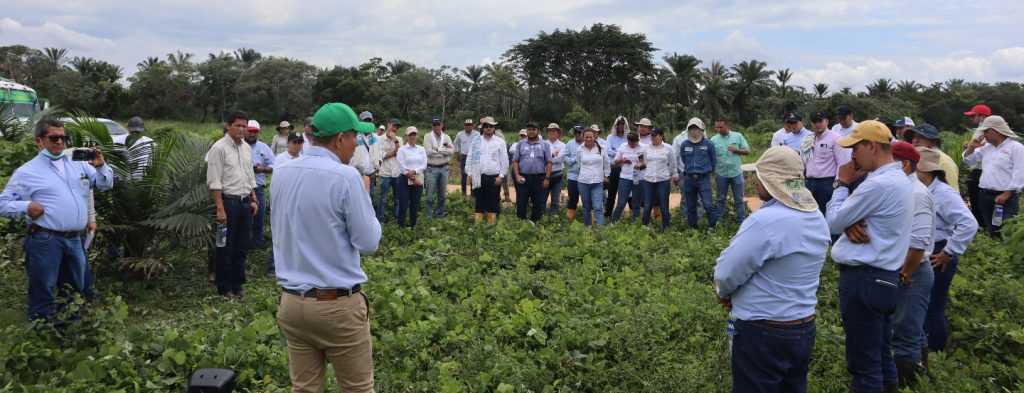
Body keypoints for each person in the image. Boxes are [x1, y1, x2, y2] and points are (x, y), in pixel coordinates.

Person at [270, 102, 380, 393]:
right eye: (356, 137)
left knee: (304, 388)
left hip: (292, 304)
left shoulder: (282, 174)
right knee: (357, 388)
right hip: (337, 307)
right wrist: (365, 197)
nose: (358, 143)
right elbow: (369, 243)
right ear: (340, 139)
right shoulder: (346, 177)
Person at [715, 146, 828, 393]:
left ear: (771, 180)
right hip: (803, 328)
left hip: (763, 332)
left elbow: (726, 273)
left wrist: (724, 293)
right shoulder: (816, 217)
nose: (755, 180)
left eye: (759, 174)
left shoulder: (765, 221)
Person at [826, 120, 913, 393]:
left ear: (872, 146)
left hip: (865, 280)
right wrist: (848, 221)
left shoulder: (877, 185)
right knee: (881, 355)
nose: (852, 156)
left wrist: (841, 185)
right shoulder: (898, 179)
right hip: (885, 280)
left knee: (864, 366)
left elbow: (832, 222)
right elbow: (849, 220)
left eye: (856, 148)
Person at [0, 119, 113, 321]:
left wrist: (101, 166)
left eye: (63, 137)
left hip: (74, 240)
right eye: (54, 138)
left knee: (73, 289)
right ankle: (41, 332)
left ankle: (69, 330)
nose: (60, 142)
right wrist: (26, 206)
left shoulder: (78, 163)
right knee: (44, 287)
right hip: (46, 239)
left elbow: (104, 184)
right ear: (39, 141)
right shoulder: (28, 172)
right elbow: (3, 204)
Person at [916, 147, 978, 352]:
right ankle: (923, 351)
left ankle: (934, 356)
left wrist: (949, 252)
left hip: (939, 252)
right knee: (922, 306)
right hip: (926, 249)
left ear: (926, 170)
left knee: (933, 307)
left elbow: (969, 224)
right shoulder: (921, 189)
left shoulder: (943, 193)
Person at [886, 142, 935, 388]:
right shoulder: (900, 189)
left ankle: (908, 382)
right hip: (904, 268)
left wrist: (904, 273)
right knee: (908, 326)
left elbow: (918, 243)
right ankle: (919, 372)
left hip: (913, 269)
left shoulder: (916, 193)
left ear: (904, 165)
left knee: (905, 332)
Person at [207, 111, 259, 299]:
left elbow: (249, 176)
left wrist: (254, 198)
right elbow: (214, 182)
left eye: (244, 126)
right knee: (225, 247)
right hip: (228, 203)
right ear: (228, 125)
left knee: (241, 247)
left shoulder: (246, 148)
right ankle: (224, 287)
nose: (241, 129)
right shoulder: (219, 148)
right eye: (237, 125)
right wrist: (220, 209)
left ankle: (238, 284)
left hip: (245, 203)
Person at [962, 115, 1023, 237]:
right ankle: (995, 252)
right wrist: (972, 147)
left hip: (1004, 198)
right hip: (984, 195)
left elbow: (1020, 173)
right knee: (991, 229)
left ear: (996, 131)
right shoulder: (986, 147)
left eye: (986, 131)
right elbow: (969, 160)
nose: (983, 135)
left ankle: (1005, 255)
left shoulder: (1016, 148)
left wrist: (1006, 194)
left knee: (1005, 231)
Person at [802, 111, 848, 215]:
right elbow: (802, 161)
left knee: (825, 215)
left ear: (826, 121)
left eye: (820, 121)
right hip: (808, 183)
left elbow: (842, 163)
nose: (817, 124)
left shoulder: (836, 138)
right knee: (808, 214)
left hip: (827, 184)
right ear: (811, 123)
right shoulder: (806, 139)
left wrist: (836, 185)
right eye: (814, 121)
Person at [465, 116, 508, 223]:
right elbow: (469, 157)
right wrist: (469, 173)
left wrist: (501, 176)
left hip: (494, 178)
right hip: (478, 176)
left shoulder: (500, 142)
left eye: (491, 126)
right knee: (479, 201)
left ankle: (491, 226)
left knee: (493, 202)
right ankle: (478, 226)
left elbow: (505, 160)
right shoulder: (476, 140)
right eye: (486, 126)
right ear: (482, 128)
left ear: (494, 128)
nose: (488, 128)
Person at [246, 120, 275, 272]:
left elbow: (274, 165)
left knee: (259, 217)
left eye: (254, 132)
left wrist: (263, 168)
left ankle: (257, 245)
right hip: (242, 188)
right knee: (244, 218)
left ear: (258, 132)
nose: (252, 134)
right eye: (249, 131)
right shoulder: (240, 146)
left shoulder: (263, 147)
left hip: (258, 187)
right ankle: (244, 245)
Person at [710, 117, 751, 223]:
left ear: (727, 125)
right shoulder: (714, 139)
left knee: (738, 200)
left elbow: (747, 151)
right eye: (717, 127)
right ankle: (720, 221)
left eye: (721, 127)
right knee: (720, 199)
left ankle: (741, 221)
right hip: (721, 174)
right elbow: (710, 155)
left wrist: (736, 150)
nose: (718, 129)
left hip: (736, 173)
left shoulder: (738, 136)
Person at [680, 118, 718, 228]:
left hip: (703, 179)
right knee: (690, 206)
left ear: (701, 129)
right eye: (691, 128)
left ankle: (713, 227)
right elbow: (683, 159)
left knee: (708, 205)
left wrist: (707, 173)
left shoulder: (709, 144)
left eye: (696, 128)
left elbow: (713, 161)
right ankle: (693, 229)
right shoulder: (684, 145)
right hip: (689, 179)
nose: (694, 130)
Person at [512, 122, 552, 222]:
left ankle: (535, 224)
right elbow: (515, 161)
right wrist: (517, 175)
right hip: (523, 177)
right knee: (521, 201)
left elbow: (548, 162)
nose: (531, 131)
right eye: (529, 129)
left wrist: (547, 178)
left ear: (538, 131)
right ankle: (521, 224)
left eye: (533, 129)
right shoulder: (521, 144)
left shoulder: (545, 145)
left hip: (538, 178)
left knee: (538, 203)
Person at [962, 104, 992, 228]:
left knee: (977, 203)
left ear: (982, 116)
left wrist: (970, 147)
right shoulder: (981, 130)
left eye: (973, 116)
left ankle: (981, 227)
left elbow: (983, 148)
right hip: (980, 170)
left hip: (979, 170)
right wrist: (970, 146)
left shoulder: (985, 131)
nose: (971, 119)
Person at [641, 128, 676, 228]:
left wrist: (666, 174)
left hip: (663, 181)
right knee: (647, 206)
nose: (653, 138)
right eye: (651, 136)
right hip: (648, 180)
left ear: (661, 136)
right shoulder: (647, 148)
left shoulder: (668, 148)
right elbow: (646, 163)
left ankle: (666, 229)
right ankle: (644, 228)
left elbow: (672, 164)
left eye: (655, 136)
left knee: (664, 206)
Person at [910, 123, 960, 194]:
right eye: (914, 137)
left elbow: (952, 192)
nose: (915, 140)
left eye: (921, 137)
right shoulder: (914, 159)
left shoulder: (944, 161)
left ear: (933, 142)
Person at [576, 128, 610, 227]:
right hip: (583, 182)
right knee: (586, 207)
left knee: (597, 206)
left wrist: (606, 175)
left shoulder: (601, 149)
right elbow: (579, 164)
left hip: (598, 182)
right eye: (586, 137)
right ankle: (587, 228)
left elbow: (607, 163)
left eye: (591, 137)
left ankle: (601, 230)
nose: (589, 139)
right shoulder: (579, 150)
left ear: (594, 137)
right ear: (583, 137)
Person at [423, 116, 454, 219]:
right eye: (434, 125)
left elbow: (451, 151)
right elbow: (428, 152)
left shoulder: (446, 137)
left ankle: (440, 214)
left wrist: (437, 149)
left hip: (444, 168)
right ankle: (428, 216)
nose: (436, 127)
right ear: (432, 126)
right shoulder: (427, 137)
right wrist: (443, 151)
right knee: (429, 195)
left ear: (442, 125)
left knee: (442, 194)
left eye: (438, 124)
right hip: (431, 168)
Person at [611, 132, 646, 222]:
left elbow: (648, 164)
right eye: (631, 144)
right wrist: (623, 160)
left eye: (635, 144)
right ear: (628, 141)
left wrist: (641, 165)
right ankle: (614, 223)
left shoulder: (644, 147)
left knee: (636, 204)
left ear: (638, 141)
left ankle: (635, 226)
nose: (633, 145)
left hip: (639, 178)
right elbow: (615, 162)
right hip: (625, 178)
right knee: (621, 203)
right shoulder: (623, 146)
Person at [397, 126, 427, 228]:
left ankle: (413, 227)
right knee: (404, 205)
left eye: (414, 134)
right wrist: (412, 177)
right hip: (404, 181)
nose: (412, 136)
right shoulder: (402, 149)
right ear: (406, 136)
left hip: (418, 180)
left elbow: (424, 164)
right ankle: (401, 227)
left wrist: (414, 171)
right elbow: (401, 166)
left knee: (414, 206)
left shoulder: (421, 149)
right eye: (410, 134)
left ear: (417, 135)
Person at [604, 116, 630, 216]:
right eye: (618, 124)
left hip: (625, 168)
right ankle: (608, 214)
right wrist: (621, 153)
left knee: (627, 192)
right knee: (612, 192)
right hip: (613, 168)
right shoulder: (610, 137)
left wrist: (616, 150)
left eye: (622, 124)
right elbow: (607, 150)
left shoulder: (628, 137)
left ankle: (629, 214)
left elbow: (629, 151)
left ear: (625, 125)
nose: (620, 126)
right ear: (615, 125)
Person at [376, 121, 402, 223]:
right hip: (384, 173)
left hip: (396, 173)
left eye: (397, 127)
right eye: (393, 125)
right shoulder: (379, 139)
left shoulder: (399, 139)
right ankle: (380, 220)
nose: (394, 128)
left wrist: (395, 140)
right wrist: (394, 152)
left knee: (397, 198)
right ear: (388, 124)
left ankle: (396, 219)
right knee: (383, 198)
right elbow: (382, 155)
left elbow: (400, 153)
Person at [352, 112, 381, 196]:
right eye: (365, 120)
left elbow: (380, 156)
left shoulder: (375, 137)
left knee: (369, 200)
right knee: (356, 199)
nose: (367, 123)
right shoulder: (354, 136)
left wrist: (376, 173)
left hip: (370, 177)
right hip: (356, 176)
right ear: (360, 121)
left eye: (369, 120)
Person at [562, 125, 586, 222]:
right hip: (573, 176)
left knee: (587, 200)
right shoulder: (570, 143)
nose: (576, 134)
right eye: (575, 132)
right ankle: (570, 220)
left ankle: (589, 221)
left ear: (583, 133)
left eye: (579, 132)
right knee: (573, 199)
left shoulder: (588, 143)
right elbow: (564, 157)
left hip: (586, 177)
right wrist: (574, 160)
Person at [544, 123, 567, 214]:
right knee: (543, 197)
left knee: (555, 198)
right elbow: (540, 158)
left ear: (558, 133)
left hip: (557, 173)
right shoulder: (543, 144)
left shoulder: (563, 145)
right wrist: (553, 155)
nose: (551, 133)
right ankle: (542, 216)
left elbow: (560, 159)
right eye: (549, 131)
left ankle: (554, 218)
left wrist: (547, 158)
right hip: (544, 174)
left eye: (554, 131)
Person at [454, 119, 480, 196]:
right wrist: (456, 153)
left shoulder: (477, 134)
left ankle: (473, 193)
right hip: (464, 157)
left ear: (473, 125)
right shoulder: (460, 134)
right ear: (464, 125)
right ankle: (463, 193)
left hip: (474, 157)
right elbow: (455, 144)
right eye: (467, 125)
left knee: (474, 174)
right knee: (464, 175)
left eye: (470, 125)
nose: (468, 126)